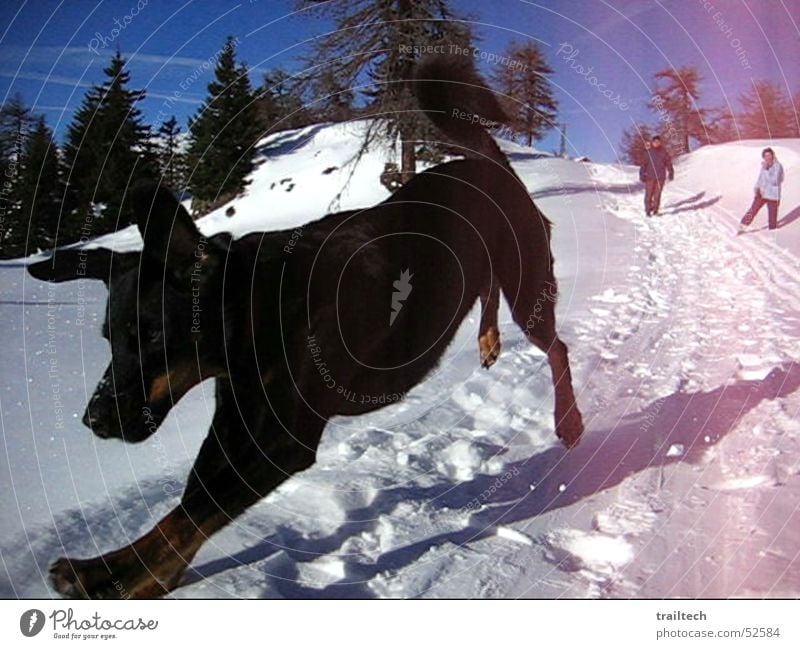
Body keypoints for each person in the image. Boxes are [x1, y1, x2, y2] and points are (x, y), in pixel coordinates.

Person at [739, 147, 784, 233]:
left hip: (773, 195)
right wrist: (756, 187)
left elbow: (774, 181)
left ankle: (772, 231)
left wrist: (766, 170)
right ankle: (742, 226)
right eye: (765, 155)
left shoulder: (778, 166)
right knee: (753, 209)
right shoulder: (764, 165)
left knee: (772, 216)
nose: (767, 157)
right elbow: (760, 178)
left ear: (773, 155)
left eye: (769, 155)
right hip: (762, 193)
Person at [639, 135, 674, 216]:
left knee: (657, 194)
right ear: (652, 142)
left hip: (660, 177)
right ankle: (648, 210)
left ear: (660, 143)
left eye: (658, 142)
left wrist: (671, 172)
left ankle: (655, 210)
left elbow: (669, 163)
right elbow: (643, 164)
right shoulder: (649, 152)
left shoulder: (664, 152)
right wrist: (642, 174)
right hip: (650, 177)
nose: (656, 143)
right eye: (655, 142)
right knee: (649, 194)